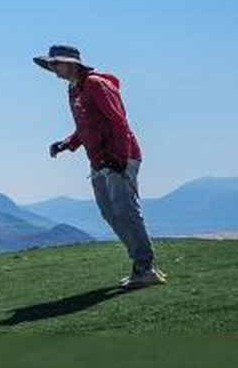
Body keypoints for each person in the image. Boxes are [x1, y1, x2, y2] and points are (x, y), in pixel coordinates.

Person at [36, 43, 165, 289]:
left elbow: (118, 122)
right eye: (51, 64)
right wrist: (67, 143)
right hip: (99, 160)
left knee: (126, 211)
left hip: (118, 157)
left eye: (56, 63)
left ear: (72, 63)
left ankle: (145, 268)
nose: (53, 68)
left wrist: (120, 158)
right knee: (111, 213)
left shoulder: (96, 84)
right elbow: (87, 126)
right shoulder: (73, 90)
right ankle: (140, 265)